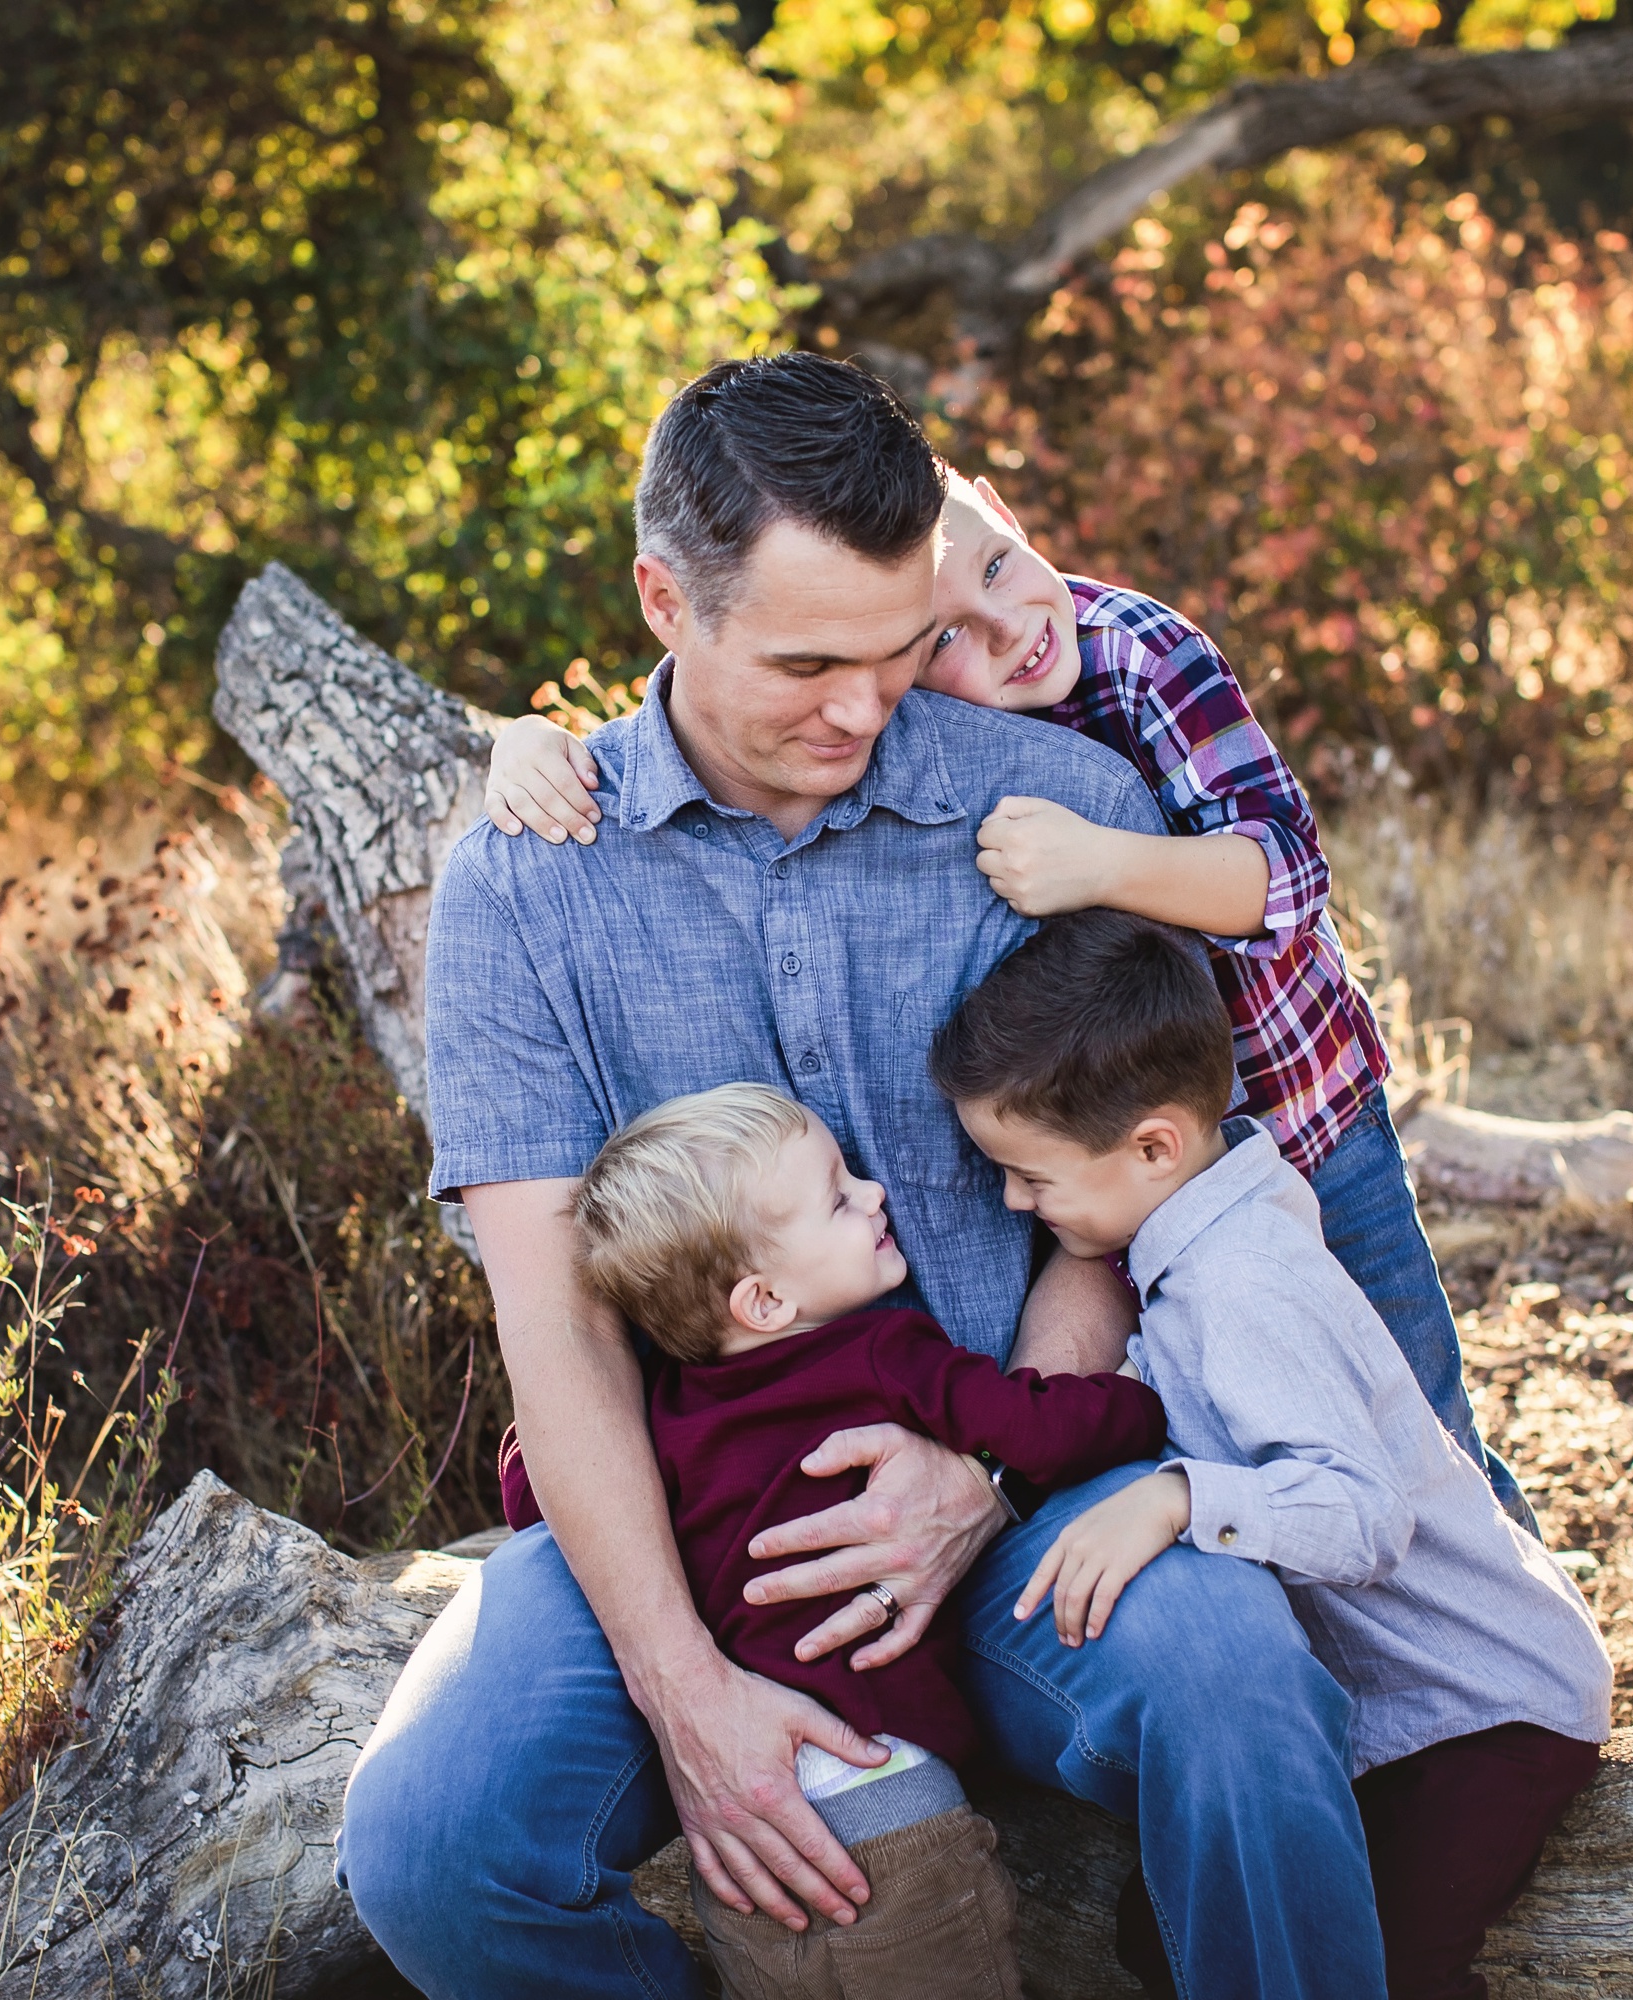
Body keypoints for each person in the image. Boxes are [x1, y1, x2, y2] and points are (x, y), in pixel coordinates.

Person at [339, 350, 1384, 2000]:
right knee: (433, 1851)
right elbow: (559, 1338)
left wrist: (982, 1482)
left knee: (1241, 1689)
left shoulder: (1055, 804)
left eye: (900, 655)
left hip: (1033, 1478)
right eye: (807, 662)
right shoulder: (529, 892)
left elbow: (1114, 1210)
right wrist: (688, 1698)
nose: (862, 710)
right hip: (702, 1525)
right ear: (663, 601)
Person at [482, 469, 1532, 1531]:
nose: (1005, 630)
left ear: (1011, 513)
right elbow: (735, 669)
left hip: (1300, 1116)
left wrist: (1104, 861)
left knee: (1413, 1412)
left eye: (999, 565)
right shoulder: (888, 703)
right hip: (1112, 1171)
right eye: (939, 641)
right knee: (1246, 1416)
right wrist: (528, 740)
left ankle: (1509, 1638)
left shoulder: (1134, 651)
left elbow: (1290, 877)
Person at [933, 909, 1615, 2000]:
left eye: (1031, 1174)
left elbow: (1362, 1515)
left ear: (1153, 1144)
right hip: (1411, 1706)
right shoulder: (1192, 1232)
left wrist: (1172, 1496)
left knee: (1392, 1965)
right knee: (1174, 1935)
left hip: (1486, 1708)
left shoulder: (1241, 1282)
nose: (1014, 1199)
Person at [519, 1080, 1170, 1999]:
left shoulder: (662, 1413)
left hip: (745, 1828)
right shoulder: (881, 1355)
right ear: (766, 1299)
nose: (874, 1194)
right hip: (886, 1795)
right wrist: (1148, 1405)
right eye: (838, 1195)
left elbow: (529, 1484)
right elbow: (1040, 1427)